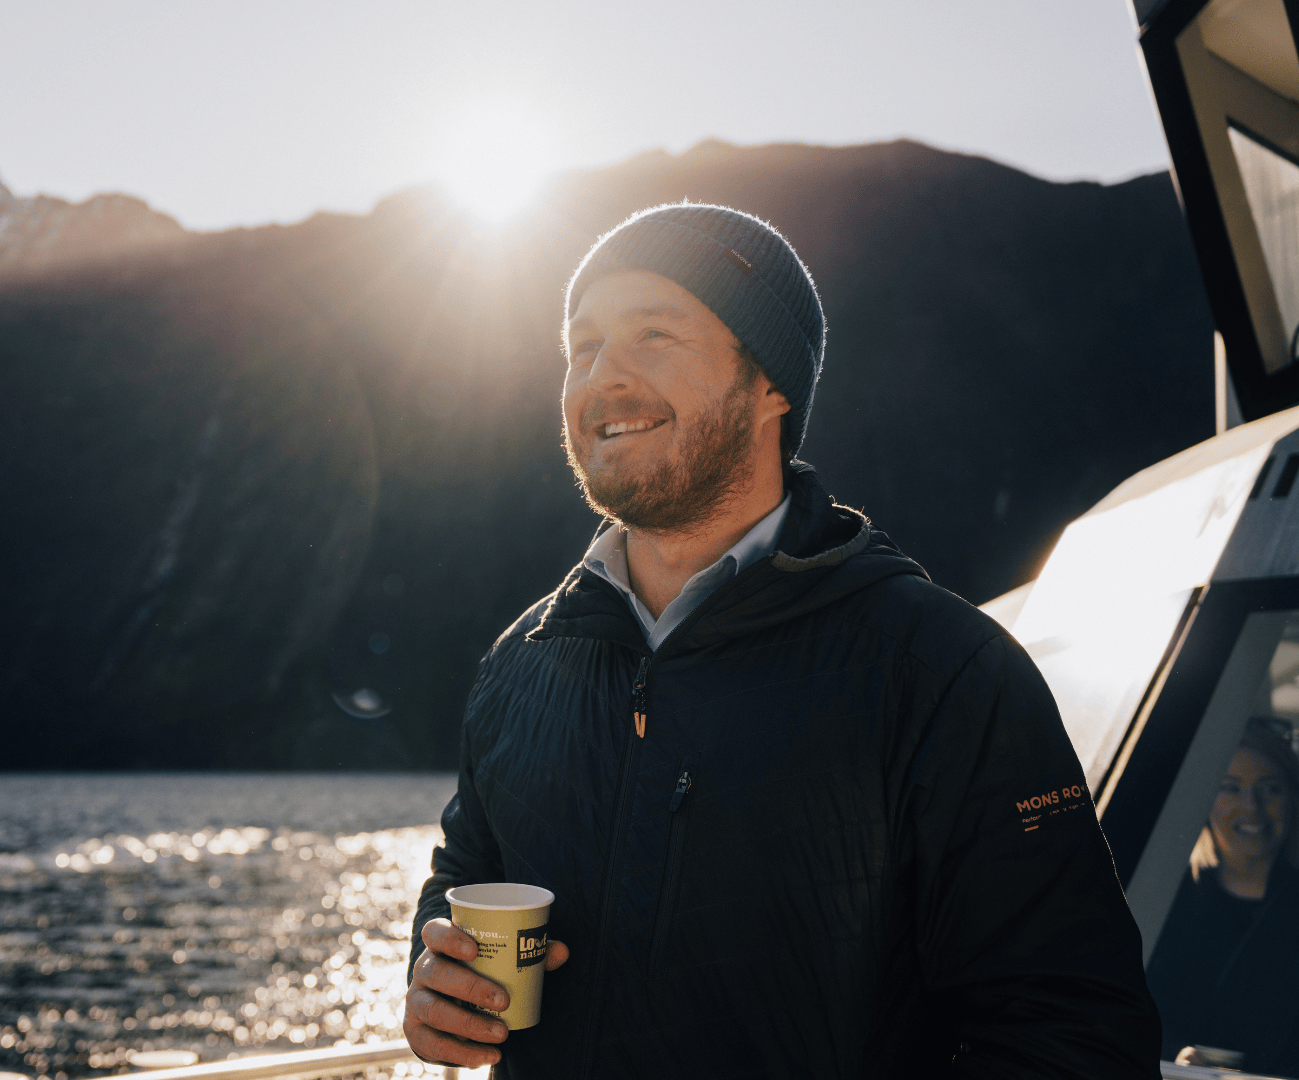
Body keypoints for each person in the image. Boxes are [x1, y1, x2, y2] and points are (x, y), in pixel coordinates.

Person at [402, 204, 1161, 1078]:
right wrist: (437, 983)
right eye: (583, 346)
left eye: (654, 334)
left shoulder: (940, 670)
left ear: (772, 386)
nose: (602, 377)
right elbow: (465, 874)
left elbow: (1073, 1036)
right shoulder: (520, 664)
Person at [1145, 719, 1299, 1080]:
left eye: (1271, 789)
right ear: (1204, 799)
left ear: (1295, 798)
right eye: (1229, 788)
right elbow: (1135, 1010)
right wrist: (1175, 1053)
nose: (1251, 807)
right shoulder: (1163, 893)